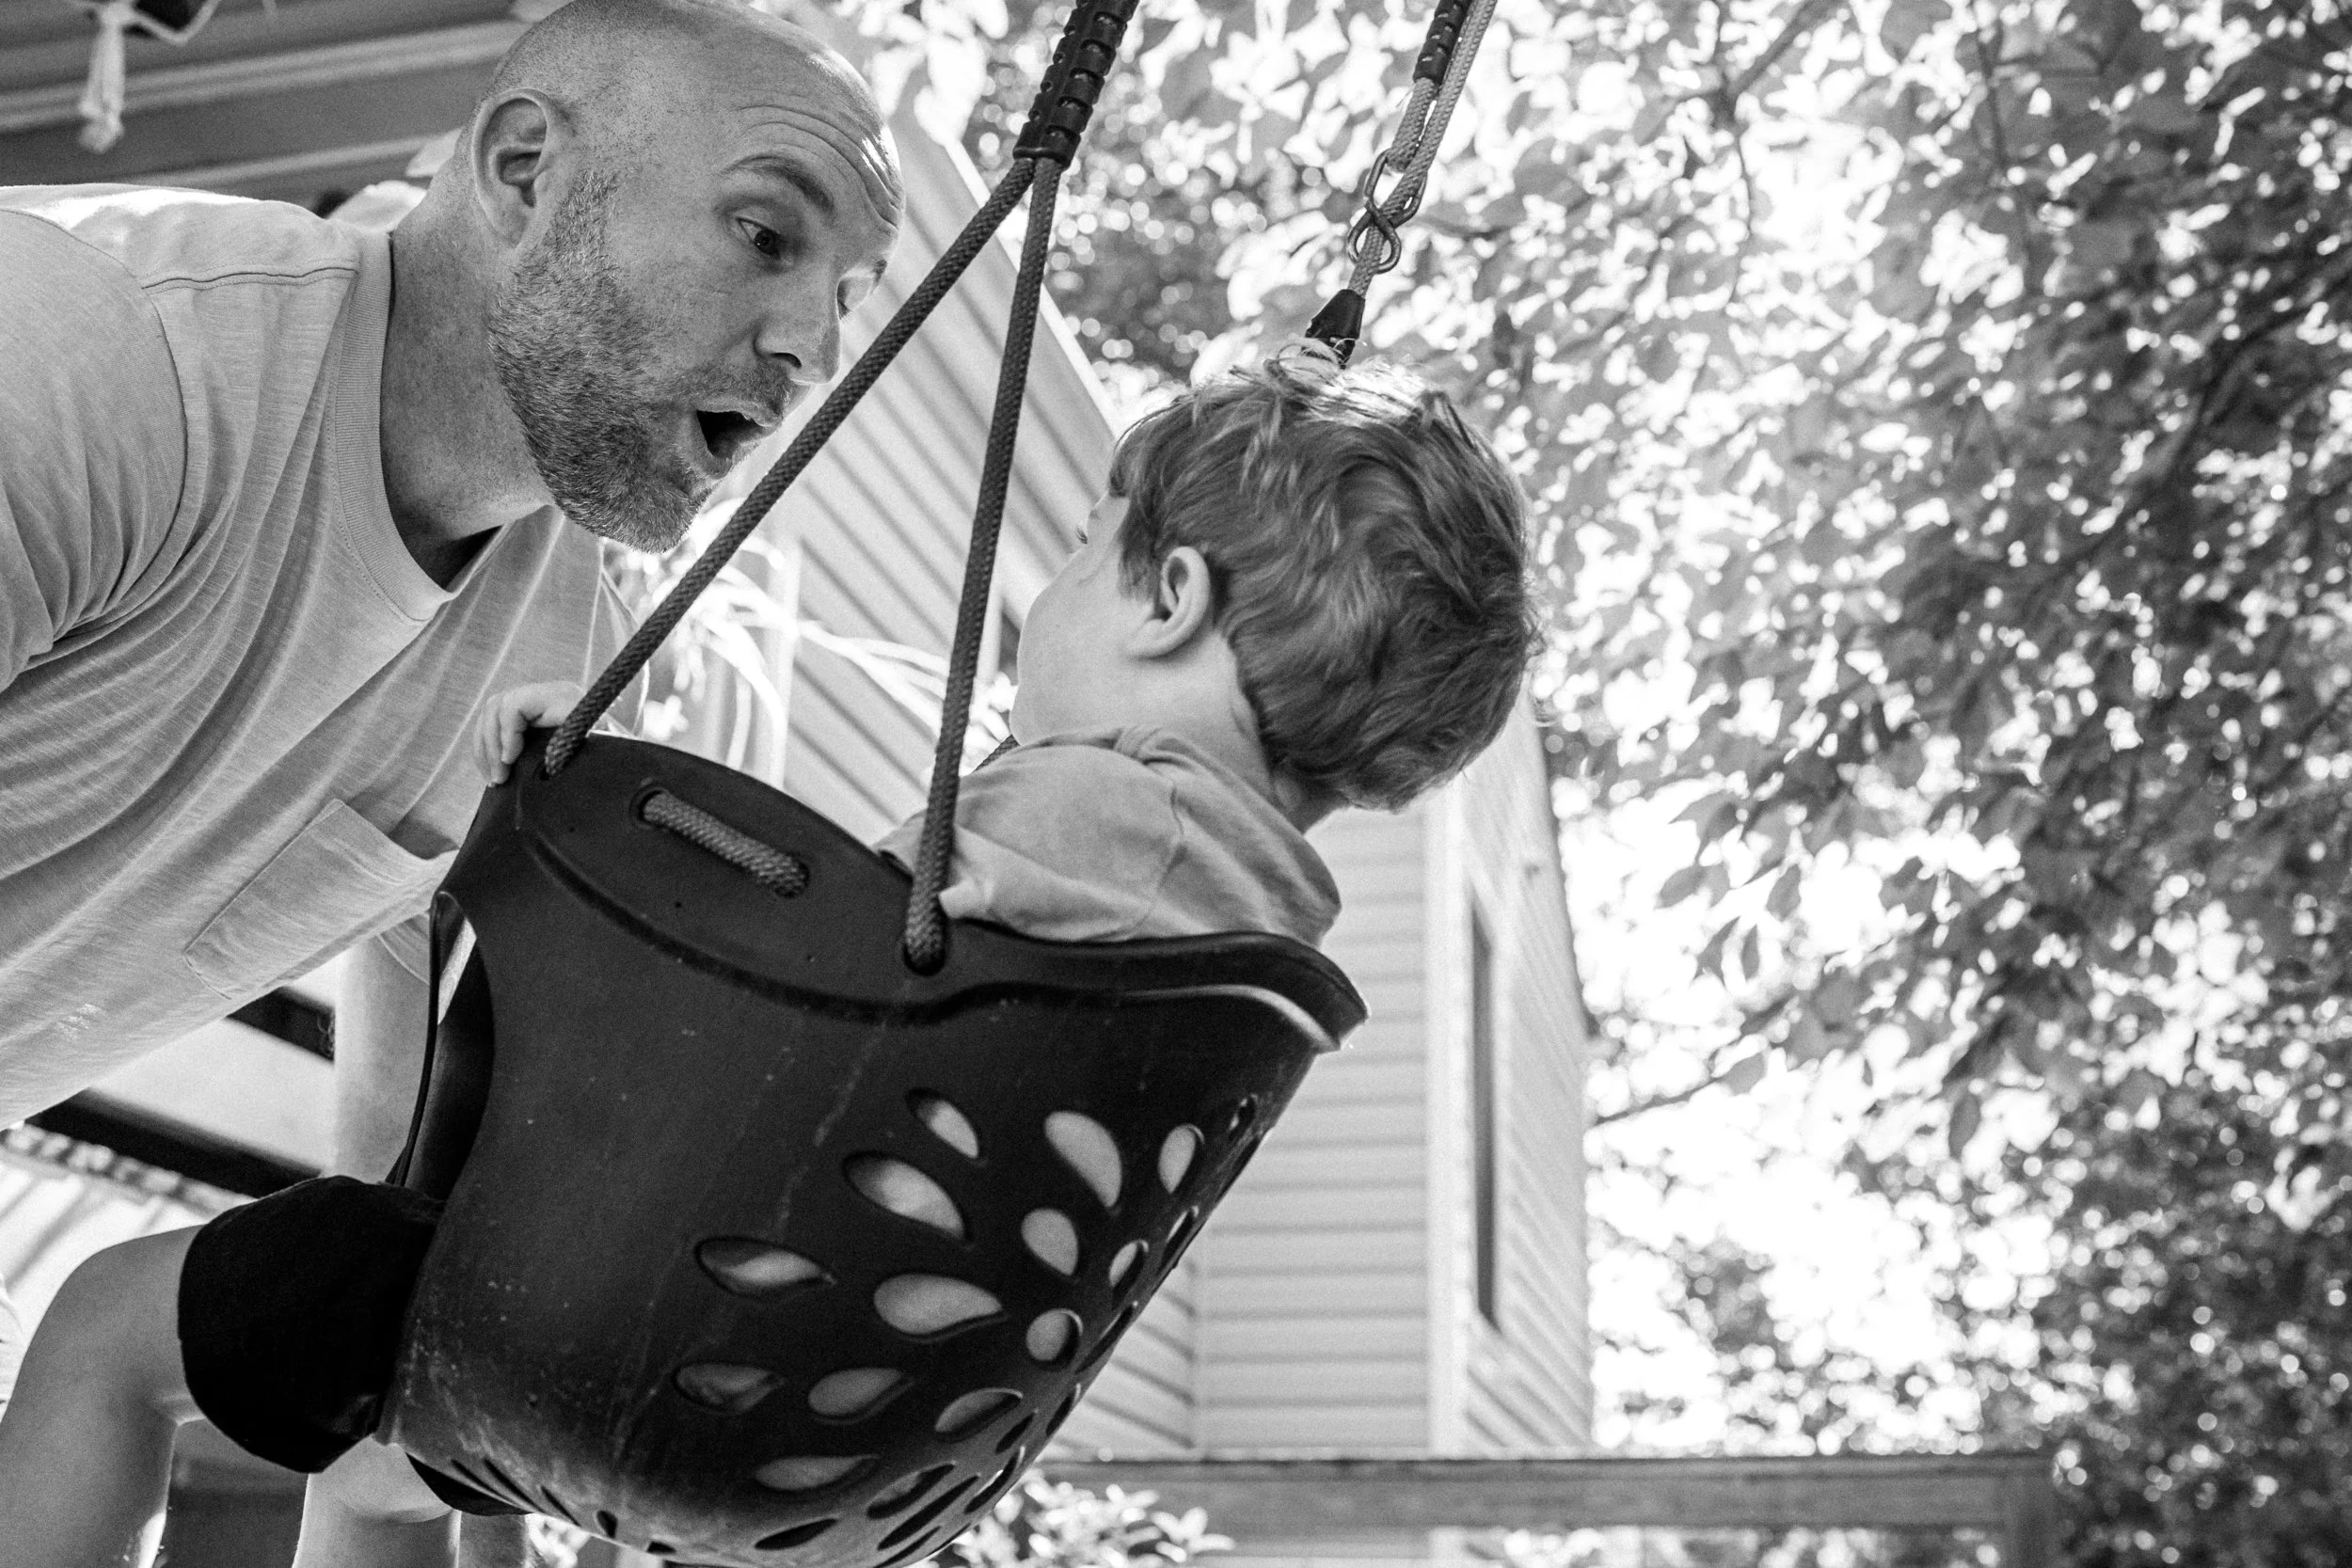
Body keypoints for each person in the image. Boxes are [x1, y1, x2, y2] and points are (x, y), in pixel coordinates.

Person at [0, 358, 1537, 1566]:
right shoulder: (1255, 946)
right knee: (385, 1474)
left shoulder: (1092, 810)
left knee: (101, 1328)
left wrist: (599, 781)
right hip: (850, 1436)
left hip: (628, 1308)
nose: (1036, 604)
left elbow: (789, 973)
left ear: (1168, 599)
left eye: (1075, 550)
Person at [0, 0, 898, 1557]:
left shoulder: (566, 650)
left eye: (843, 295)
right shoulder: (101, 352)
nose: (812, 346)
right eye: (766, 234)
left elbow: (392, 1165)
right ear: (528, 166)